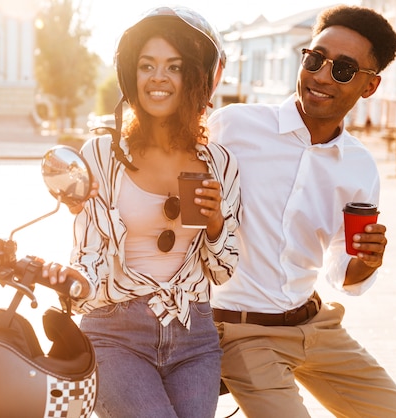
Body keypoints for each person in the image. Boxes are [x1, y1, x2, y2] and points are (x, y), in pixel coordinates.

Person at [207, 5, 396, 417]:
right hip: (240, 331)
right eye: (314, 59)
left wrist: (368, 261)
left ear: (369, 87)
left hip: (318, 326)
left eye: (343, 69)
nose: (322, 75)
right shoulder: (233, 126)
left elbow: (345, 272)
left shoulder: (359, 165)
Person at [44, 6, 241, 418]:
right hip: (116, 333)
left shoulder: (221, 163)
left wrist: (216, 223)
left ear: (195, 78)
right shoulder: (102, 154)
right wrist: (76, 281)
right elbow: (90, 251)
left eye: (174, 66)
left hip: (194, 336)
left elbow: (222, 271)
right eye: (147, 65)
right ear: (131, 76)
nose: (158, 77)